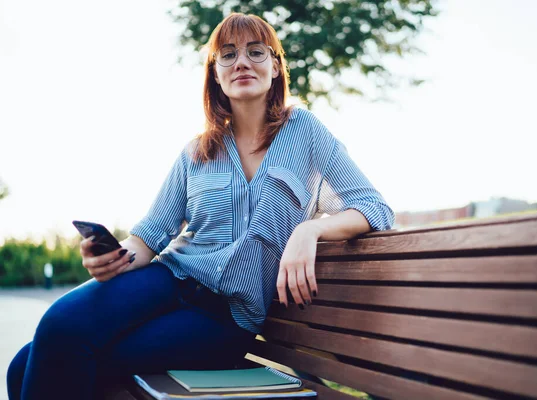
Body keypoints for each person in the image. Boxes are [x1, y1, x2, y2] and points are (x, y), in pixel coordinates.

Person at [6, 12, 395, 400]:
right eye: (227, 55)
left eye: (256, 52)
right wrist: (109, 256)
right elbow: (149, 236)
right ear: (216, 73)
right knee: (52, 335)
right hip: (165, 280)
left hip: (224, 318)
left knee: (39, 362)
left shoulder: (305, 132)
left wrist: (309, 229)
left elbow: (373, 207)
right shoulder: (197, 149)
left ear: (276, 67)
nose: (241, 62)